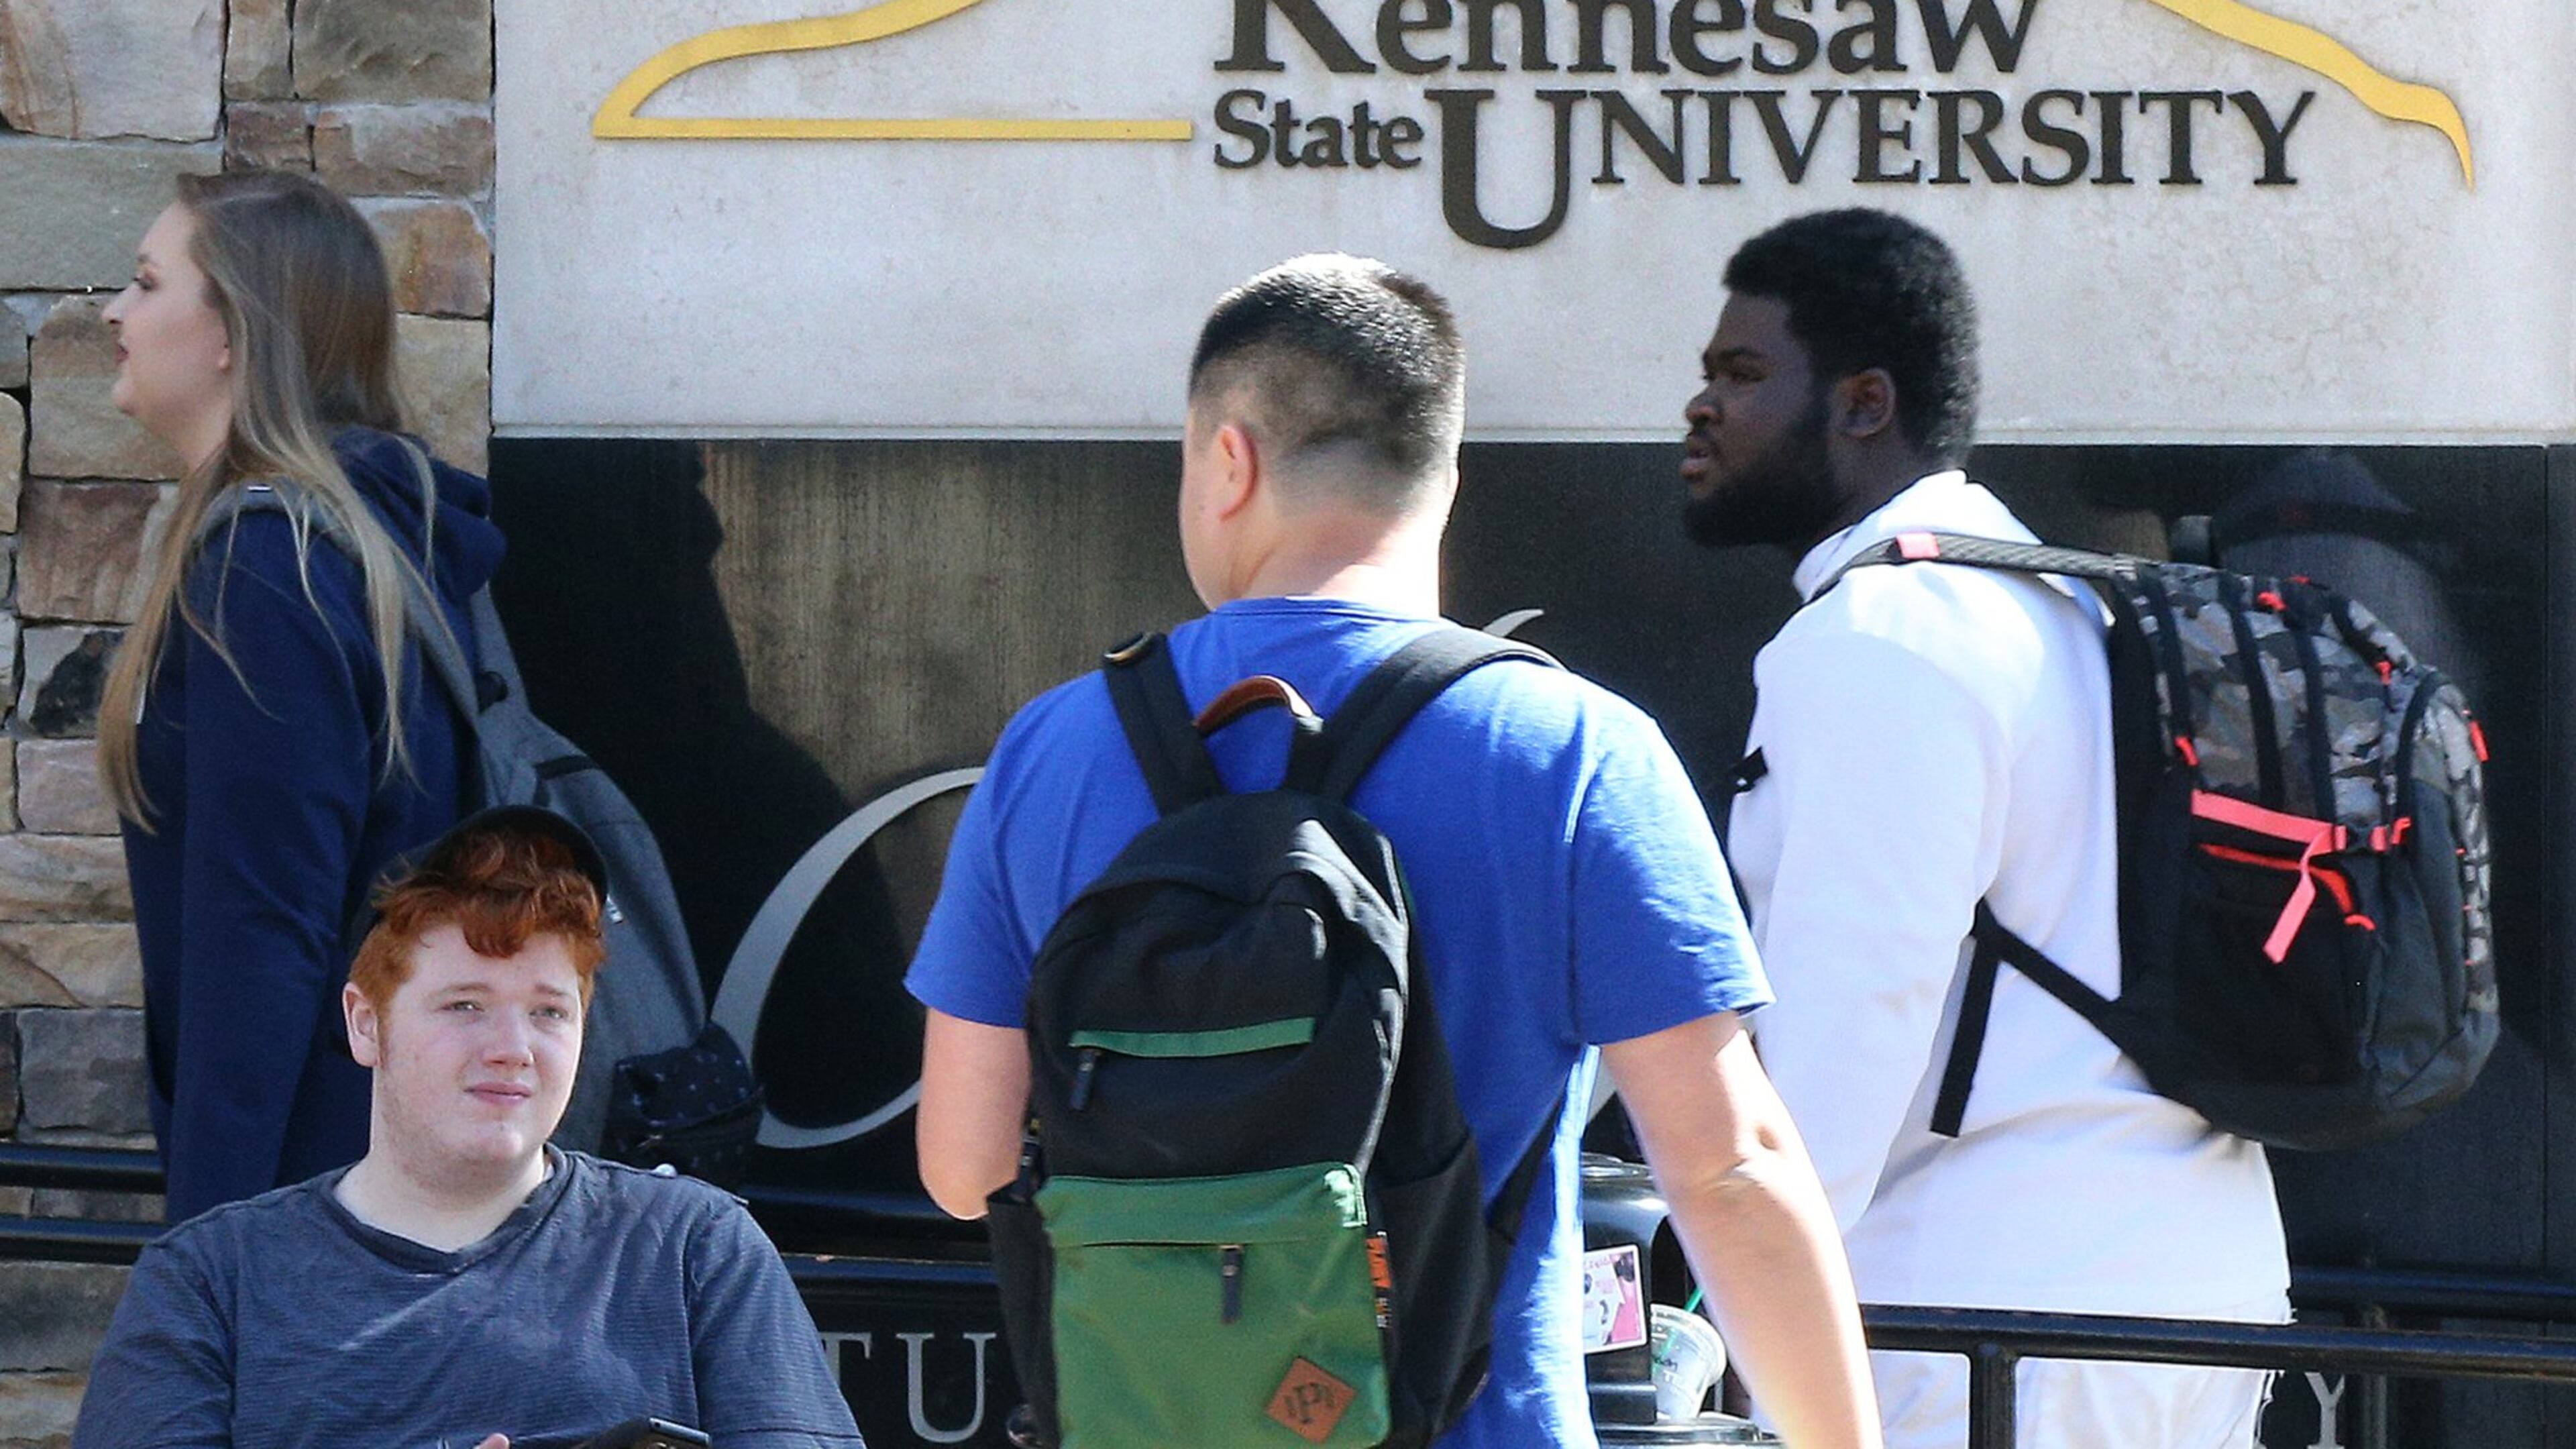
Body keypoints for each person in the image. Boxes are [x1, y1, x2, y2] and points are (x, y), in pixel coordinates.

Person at [908, 254, 1881, 1449]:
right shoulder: (1573, 750)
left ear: (1229, 462)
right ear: (1445, 477)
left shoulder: (1053, 749)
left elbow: (964, 1168)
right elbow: (1728, 1171)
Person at [1680, 207, 2288, 1446]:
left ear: (1862, 404)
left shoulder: (1882, 637)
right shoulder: (2081, 610)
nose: (1700, 407)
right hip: (2194, 1299)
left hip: (1987, 1330)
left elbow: (1850, 1026)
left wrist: (1726, 1329)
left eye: (1742, 374)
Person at [74, 808, 864, 1449]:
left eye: (549, 1011)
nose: (513, 1050)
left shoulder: (695, 1250)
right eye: (465, 1005)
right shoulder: (212, 1281)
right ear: (365, 1023)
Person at [97, 169, 503, 1222]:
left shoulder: (269, 573)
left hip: (318, 1215)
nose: (115, 313)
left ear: (232, 329)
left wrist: (212, 1262)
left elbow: (262, 943)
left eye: (146, 285)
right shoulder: (381, 545)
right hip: (387, 1186)